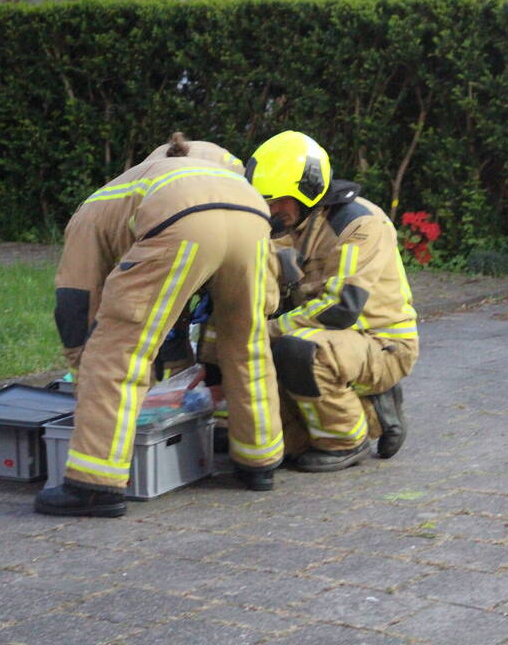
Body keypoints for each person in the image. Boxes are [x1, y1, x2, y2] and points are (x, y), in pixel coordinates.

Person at [36, 146, 284, 518]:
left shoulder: (92, 212)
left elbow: (76, 300)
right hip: (252, 213)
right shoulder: (209, 172)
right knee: (246, 340)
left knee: (117, 347)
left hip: (181, 214)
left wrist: (82, 365)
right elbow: (262, 304)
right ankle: (258, 460)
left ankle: (95, 483)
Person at [246, 130, 417, 472]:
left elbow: (342, 307)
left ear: (308, 191)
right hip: (322, 337)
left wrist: (267, 330)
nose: (271, 210)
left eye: (278, 200)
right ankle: (361, 409)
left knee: (298, 350)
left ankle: (347, 440)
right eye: (264, 200)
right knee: (289, 448)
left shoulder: (360, 224)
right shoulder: (288, 222)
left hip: (381, 342)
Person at [53, 133, 244, 381]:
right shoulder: (97, 222)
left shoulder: (97, 216)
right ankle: (192, 383)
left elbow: (75, 302)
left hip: (198, 211)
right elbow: (75, 303)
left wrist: (85, 377)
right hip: (226, 211)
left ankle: (192, 381)